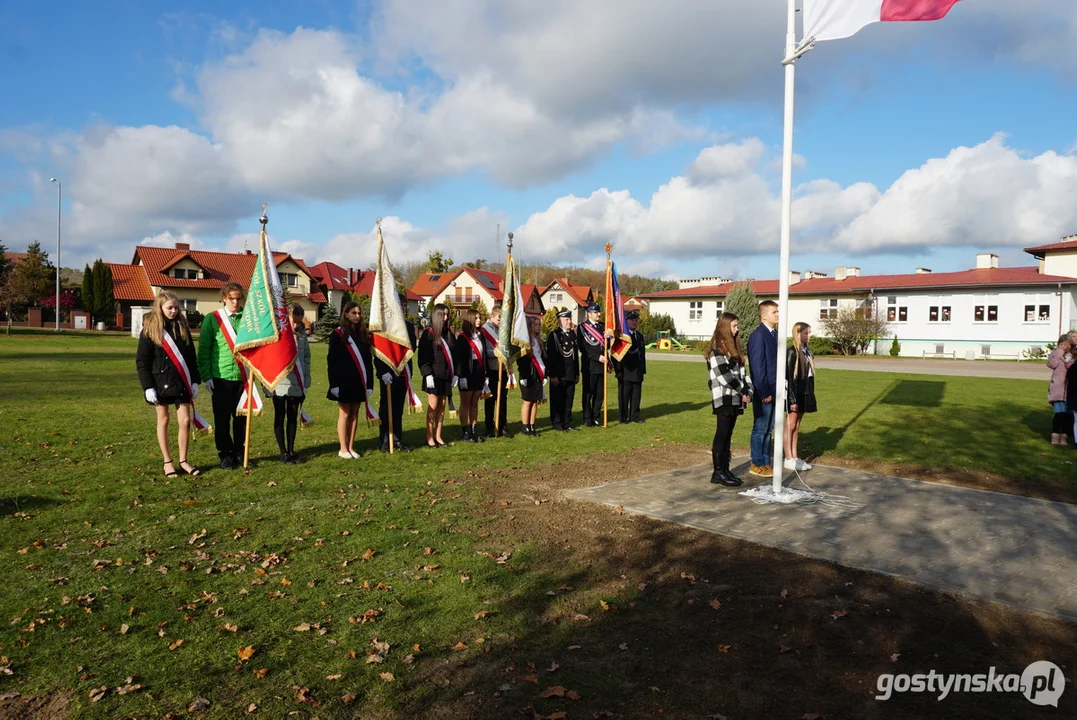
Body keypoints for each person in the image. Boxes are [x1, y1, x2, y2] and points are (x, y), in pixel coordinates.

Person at [137, 291, 203, 478]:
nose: (174, 311)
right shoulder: (149, 330)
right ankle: (168, 462)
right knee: (164, 419)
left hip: (181, 381)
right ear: (160, 308)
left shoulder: (182, 328)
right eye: (170, 308)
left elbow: (191, 357)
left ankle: (184, 461)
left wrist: (195, 381)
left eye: (176, 307)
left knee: (185, 421)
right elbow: (142, 361)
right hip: (160, 382)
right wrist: (147, 386)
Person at [197, 282, 250, 470]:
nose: (235, 302)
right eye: (231, 298)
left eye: (238, 298)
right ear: (224, 298)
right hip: (220, 376)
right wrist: (207, 376)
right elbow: (204, 350)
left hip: (244, 378)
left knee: (241, 419)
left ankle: (238, 451)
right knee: (222, 419)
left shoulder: (249, 318)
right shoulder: (213, 319)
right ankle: (225, 454)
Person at [706, 312, 753, 487]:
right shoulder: (717, 350)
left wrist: (748, 390)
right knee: (722, 434)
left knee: (728, 435)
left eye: (737, 326)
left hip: (735, 398)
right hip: (724, 397)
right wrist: (743, 391)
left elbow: (743, 374)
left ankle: (725, 469)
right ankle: (718, 472)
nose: (737, 329)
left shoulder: (733, 350)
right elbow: (724, 377)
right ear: (725, 327)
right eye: (734, 326)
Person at [327, 301, 374, 459]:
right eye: (354, 313)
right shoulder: (337, 334)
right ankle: (343, 448)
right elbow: (331, 361)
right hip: (343, 381)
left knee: (355, 413)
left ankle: (351, 447)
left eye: (359, 313)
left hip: (359, 380)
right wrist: (334, 384)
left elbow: (368, 362)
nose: (357, 316)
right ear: (346, 314)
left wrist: (370, 384)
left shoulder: (363, 335)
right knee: (345, 414)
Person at [264, 304, 311, 464]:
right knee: (280, 416)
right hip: (279, 383)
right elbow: (268, 360)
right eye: (294, 321)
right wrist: (267, 383)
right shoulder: (277, 335)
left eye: (299, 322)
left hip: (297, 383)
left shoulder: (302, 335)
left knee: (292, 417)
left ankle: (291, 450)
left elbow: (306, 358)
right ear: (286, 318)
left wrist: (306, 377)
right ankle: (282, 452)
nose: (296, 325)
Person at [374, 292, 418, 453]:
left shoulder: (408, 326)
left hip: (403, 371)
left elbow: (412, 348)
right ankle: (385, 439)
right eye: (401, 305)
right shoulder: (384, 326)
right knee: (386, 407)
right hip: (388, 373)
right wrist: (382, 371)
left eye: (405, 305)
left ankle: (397, 438)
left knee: (398, 408)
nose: (403, 308)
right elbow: (378, 351)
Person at [747, 299, 779, 478]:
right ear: (764, 315)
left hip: (775, 390)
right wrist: (764, 391)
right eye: (774, 312)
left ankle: (766, 461)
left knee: (769, 428)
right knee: (760, 427)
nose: (778, 314)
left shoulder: (774, 334)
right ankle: (756, 462)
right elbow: (758, 367)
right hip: (764, 391)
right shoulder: (758, 335)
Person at [418, 303, 455, 447]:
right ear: (436, 315)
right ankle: (429, 437)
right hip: (433, 376)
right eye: (443, 315)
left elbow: (454, 355)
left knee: (442, 406)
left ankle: (439, 436)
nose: (446, 318)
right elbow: (423, 357)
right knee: (433, 407)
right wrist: (427, 374)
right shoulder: (428, 333)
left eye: (447, 315)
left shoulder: (449, 334)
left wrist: (455, 374)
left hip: (446, 375)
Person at [784, 321, 817, 470]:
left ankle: (795, 456)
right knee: (790, 424)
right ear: (798, 334)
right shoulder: (792, 352)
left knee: (797, 425)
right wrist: (792, 399)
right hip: (795, 393)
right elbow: (790, 378)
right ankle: (788, 457)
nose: (809, 335)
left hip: (805, 391)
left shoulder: (806, 351)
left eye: (809, 332)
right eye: (806, 333)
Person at [454, 308, 488, 443]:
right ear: (470, 320)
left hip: (479, 372)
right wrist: (461, 376)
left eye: (480, 318)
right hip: (467, 373)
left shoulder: (480, 336)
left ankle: (474, 430)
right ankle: (465, 431)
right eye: (477, 318)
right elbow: (460, 358)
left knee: (475, 403)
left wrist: (485, 374)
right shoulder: (462, 338)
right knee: (465, 403)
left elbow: (483, 355)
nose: (479, 320)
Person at [545, 309, 580, 431]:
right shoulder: (554, 335)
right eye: (566, 319)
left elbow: (575, 356)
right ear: (559, 321)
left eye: (569, 319)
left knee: (568, 399)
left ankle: (567, 422)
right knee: (557, 399)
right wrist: (553, 375)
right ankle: (557, 422)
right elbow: (552, 357)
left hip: (570, 373)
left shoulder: (572, 334)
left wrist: (577, 373)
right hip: (559, 374)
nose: (569, 322)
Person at [480, 305, 510, 438]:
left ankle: (502, 425)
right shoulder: (484, 331)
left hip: (502, 369)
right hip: (491, 370)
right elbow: (483, 351)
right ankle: (489, 427)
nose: (501, 321)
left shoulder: (502, 330)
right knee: (490, 400)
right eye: (499, 319)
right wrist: (496, 353)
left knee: (503, 399)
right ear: (492, 316)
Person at [577, 303, 608, 427]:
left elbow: (607, 347)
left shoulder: (603, 327)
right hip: (589, 366)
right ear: (589, 314)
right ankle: (587, 418)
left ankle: (596, 417)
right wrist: (597, 357)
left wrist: (608, 339)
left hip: (602, 366)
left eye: (599, 312)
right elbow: (583, 348)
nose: (599, 314)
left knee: (599, 394)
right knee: (588, 393)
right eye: (596, 312)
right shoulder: (582, 328)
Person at [614, 310, 647, 423]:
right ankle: (623, 417)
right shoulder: (622, 337)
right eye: (632, 320)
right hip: (625, 371)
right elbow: (616, 355)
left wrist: (643, 370)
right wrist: (618, 370)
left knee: (636, 396)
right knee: (624, 395)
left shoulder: (639, 336)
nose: (634, 322)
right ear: (626, 321)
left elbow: (641, 355)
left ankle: (635, 416)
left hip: (637, 371)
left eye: (636, 320)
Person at [516, 315, 547, 436]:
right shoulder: (525, 343)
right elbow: (522, 361)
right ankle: (525, 426)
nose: (537, 327)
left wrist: (545, 375)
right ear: (529, 326)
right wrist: (523, 376)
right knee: (527, 401)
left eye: (538, 325)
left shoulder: (539, 341)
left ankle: (532, 426)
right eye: (535, 325)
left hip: (538, 374)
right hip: (527, 375)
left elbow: (543, 358)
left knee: (535, 401)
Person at [1047, 333, 1073, 446]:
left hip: (1071, 389)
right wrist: (1060, 351)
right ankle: (1055, 435)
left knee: (1068, 414)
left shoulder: (1074, 355)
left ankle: (1064, 437)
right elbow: (1051, 364)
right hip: (1058, 388)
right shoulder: (1056, 353)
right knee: (1059, 413)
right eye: (1064, 344)